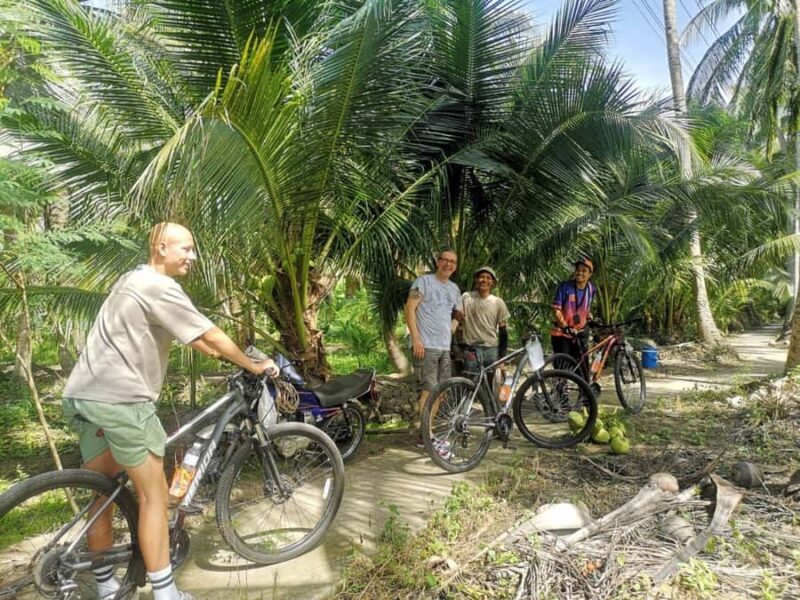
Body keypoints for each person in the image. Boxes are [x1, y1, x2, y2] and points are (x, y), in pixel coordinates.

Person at [62, 222, 277, 600]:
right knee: (154, 496)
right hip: (122, 402)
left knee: (104, 492)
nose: (192, 257)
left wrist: (215, 353)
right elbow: (209, 332)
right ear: (160, 247)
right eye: (186, 249)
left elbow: (192, 337)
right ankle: (165, 592)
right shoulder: (160, 286)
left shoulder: (133, 279)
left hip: (83, 396)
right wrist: (252, 364)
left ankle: (107, 585)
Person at [403, 249, 463, 444]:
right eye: (445, 260)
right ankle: (427, 436)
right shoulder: (424, 282)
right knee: (429, 389)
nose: (448, 264)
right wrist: (416, 338)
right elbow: (410, 309)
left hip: (444, 347)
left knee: (441, 391)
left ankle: (428, 431)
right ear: (438, 262)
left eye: (452, 262)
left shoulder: (454, 289)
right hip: (425, 346)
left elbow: (459, 313)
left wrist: (451, 329)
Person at [460, 266, 510, 373]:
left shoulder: (498, 302)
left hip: (491, 349)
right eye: (481, 277)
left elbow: (503, 332)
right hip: (471, 349)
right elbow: (457, 318)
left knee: (492, 384)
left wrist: (502, 359)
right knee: (472, 382)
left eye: (488, 278)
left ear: (492, 282)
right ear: (476, 280)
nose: (484, 280)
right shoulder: (466, 297)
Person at [551, 257, 597, 366]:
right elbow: (556, 309)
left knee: (583, 369)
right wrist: (566, 326)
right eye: (578, 270)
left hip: (580, 333)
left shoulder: (591, 289)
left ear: (590, 274)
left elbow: (587, 306)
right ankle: (560, 382)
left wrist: (589, 316)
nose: (580, 273)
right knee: (562, 369)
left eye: (584, 271)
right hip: (563, 334)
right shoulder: (565, 287)